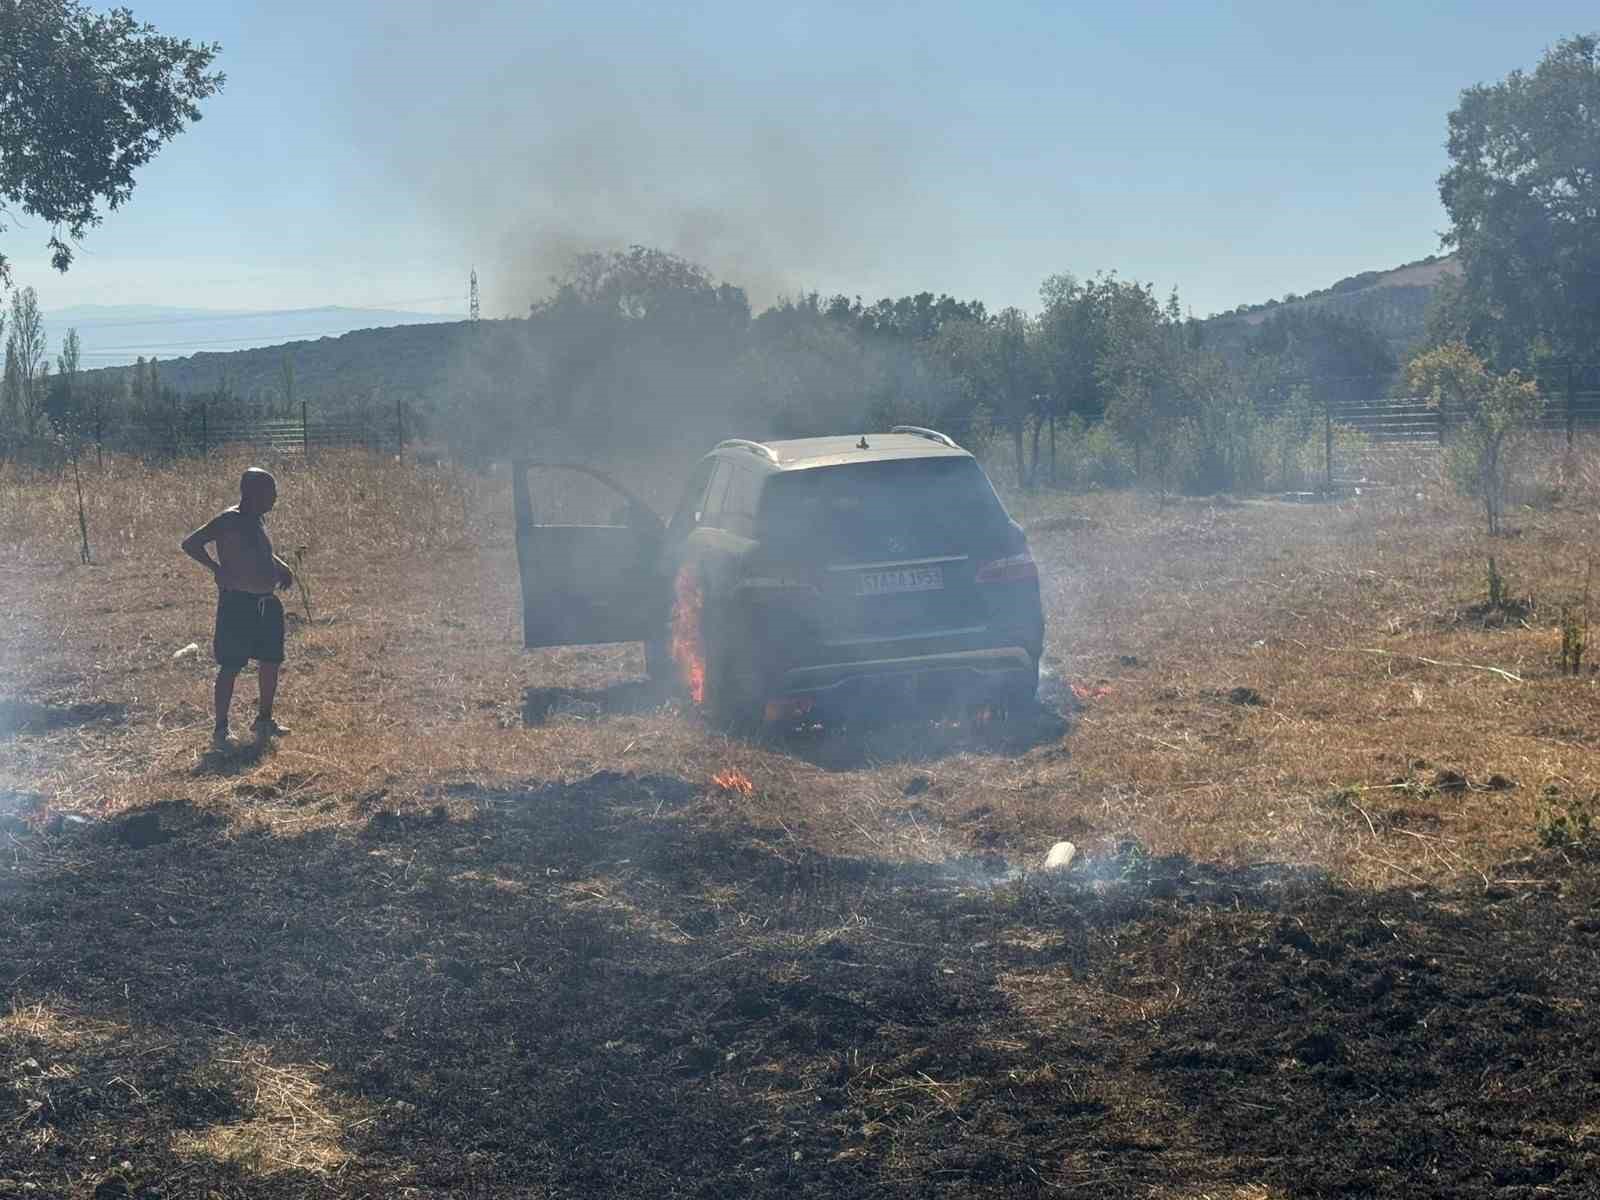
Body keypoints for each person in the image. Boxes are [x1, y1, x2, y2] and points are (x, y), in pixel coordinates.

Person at [181, 467, 295, 750]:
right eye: (270, 492)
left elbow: (261, 552)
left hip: (266, 603)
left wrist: (281, 567)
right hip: (237, 604)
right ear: (252, 493)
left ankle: (264, 719)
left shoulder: (257, 520)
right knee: (231, 665)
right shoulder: (228, 520)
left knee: (271, 660)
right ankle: (221, 729)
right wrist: (215, 568)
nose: (275, 498)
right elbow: (191, 544)